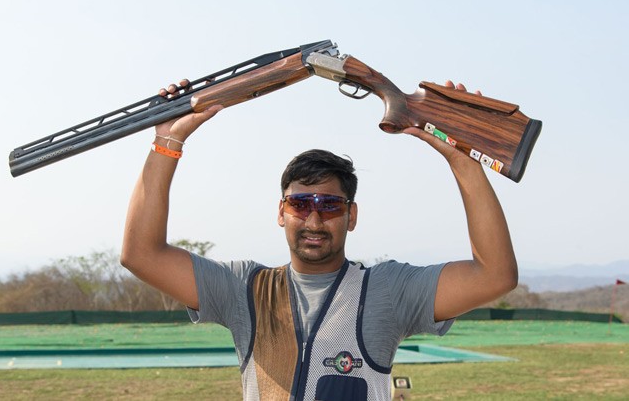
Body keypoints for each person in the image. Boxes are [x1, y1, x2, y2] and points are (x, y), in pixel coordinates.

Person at [120, 80, 518, 401]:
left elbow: (494, 275)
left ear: (352, 215)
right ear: (281, 213)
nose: (313, 219)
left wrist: (463, 161)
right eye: (299, 203)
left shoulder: (386, 289)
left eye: (329, 205)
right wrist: (167, 143)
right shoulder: (243, 288)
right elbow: (141, 254)